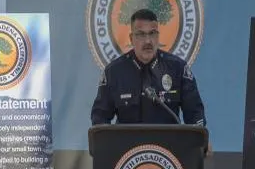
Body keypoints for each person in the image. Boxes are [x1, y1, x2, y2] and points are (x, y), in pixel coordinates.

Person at [90, 8, 211, 154]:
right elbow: (100, 117)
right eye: (141, 34)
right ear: (131, 38)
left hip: (170, 154)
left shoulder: (177, 69)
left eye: (152, 33)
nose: (148, 41)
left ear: (158, 36)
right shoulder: (114, 72)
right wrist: (107, 148)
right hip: (127, 155)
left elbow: (195, 113)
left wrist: (201, 141)